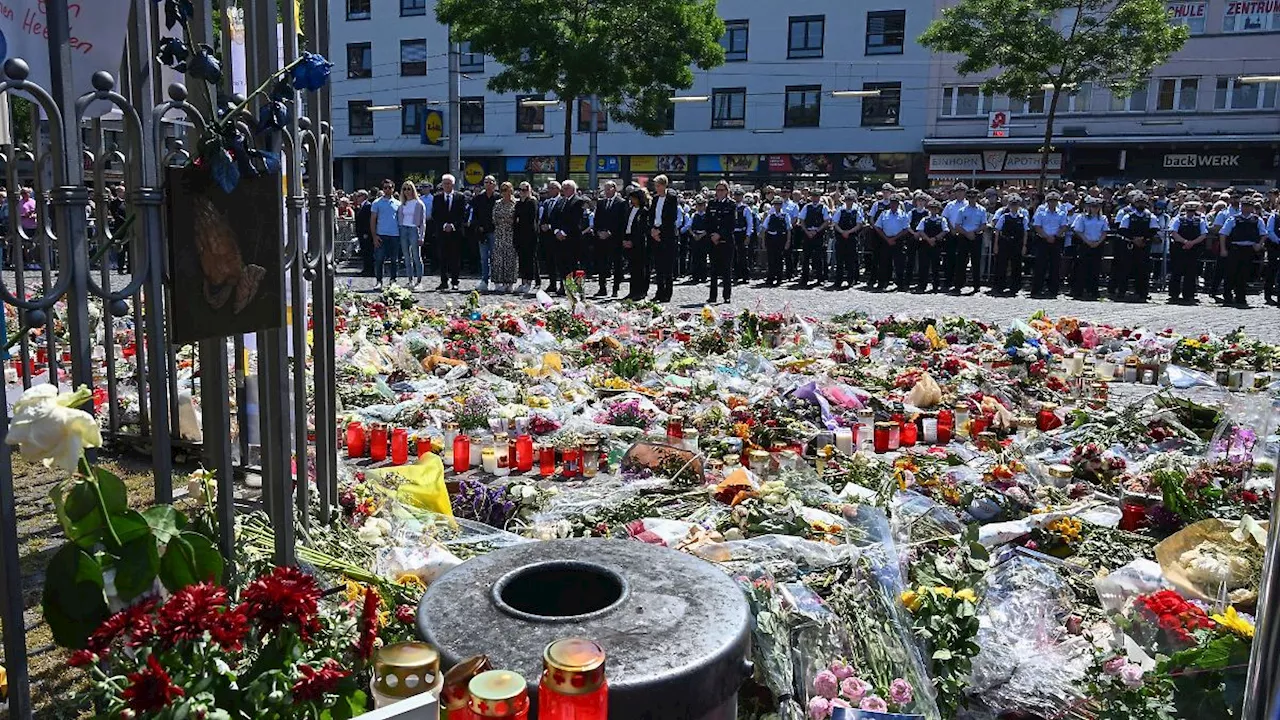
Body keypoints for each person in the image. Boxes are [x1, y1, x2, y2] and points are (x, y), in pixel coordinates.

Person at [1219, 197, 1267, 308]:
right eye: (1244, 205)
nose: (1246, 208)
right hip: (1235, 249)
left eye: (1249, 206)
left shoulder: (1257, 220)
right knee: (1230, 273)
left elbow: (1263, 234)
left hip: (1248, 250)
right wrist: (1223, 249)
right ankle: (1227, 296)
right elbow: (1223, 234)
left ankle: (1241, 297)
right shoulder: (1233, 219)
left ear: (1252, 207)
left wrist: (1259, 244)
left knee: (1244, 274)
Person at [1115, 194, 1157, 302]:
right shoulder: (1128, 215)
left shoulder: (1150, 216)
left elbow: (1153, 230)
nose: (1141, 204)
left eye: (1143, 202)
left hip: (1144, 246)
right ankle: (1121, 292)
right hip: (1129, 245)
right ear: (1134, 203)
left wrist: (1143, 239)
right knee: (1125, 269)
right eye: (1138, 202)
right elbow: (1122, 229)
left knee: (1143, 271)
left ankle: (1143, 293)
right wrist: (1134, 239)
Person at [1168, 200, 1208, 305]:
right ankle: (1174, 294)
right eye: (1189, 210)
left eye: (1192, 211)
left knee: (1191, 272)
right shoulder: (1178, 219)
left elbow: (1203, 235)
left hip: (1194, 249)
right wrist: (1185, 242)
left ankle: (1189, 294)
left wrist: (1192, 243)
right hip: (1179, 248)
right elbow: (1173, 232)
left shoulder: (1200, 220)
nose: (1190, 213)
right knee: (1176, 271)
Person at [1031, 190, 1069, 298]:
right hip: (1043, 240)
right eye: (1050, 201)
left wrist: (1055, 236)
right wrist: (1047, 236)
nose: (1052, 203)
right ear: (1047, 202)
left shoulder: (1061, 213)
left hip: (1056, 240)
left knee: (1055, 266)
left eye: (1055, 201)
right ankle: (1037, 289)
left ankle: (1053, 290)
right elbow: (1037, 226)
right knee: (1040, 266)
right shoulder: (1041, 213)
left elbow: (1064, 226)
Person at [950, 188, 988, 295]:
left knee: (976, 262)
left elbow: (984, 225)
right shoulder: (962, 210)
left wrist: (974, 232)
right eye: (970, 197)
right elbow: (957, 225)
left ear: (977, 198)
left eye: (974, 197)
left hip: (976, 236)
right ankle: (958, 284)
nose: (972, 199)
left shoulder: (982, 210)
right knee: (961, 261)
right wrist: (967, 233)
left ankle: (976, 285)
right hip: (964, 236)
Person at [593, 180, 628, 297]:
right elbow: (597, 219)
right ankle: (602, 287)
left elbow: (622, 221)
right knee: (602, 263)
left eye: (609, 189)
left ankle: (615, 288)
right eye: (605, 189)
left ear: (615, 189)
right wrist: (598, 232)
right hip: (601, 239)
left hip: (615, 239)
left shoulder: (621, 203)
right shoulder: (601, 203)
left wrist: (610, 232)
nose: (607, 191)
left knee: (617, 264)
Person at [1071, 196, 1109, 301]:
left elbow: (1104, 231)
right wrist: (1087, 242)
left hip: (1098, 244)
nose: (1095, 208)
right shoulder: (1082, 217)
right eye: (1093, 206)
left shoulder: (1103, 218)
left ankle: (1093, 291)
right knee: (1082, 269)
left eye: (1097, 206)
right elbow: (1078, 231)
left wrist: (1098, 243)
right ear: (1088, 207)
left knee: (1095, 269)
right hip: (1085, 244)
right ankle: (1078, 291)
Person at [433, 174, 467, 290]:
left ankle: (455, 281)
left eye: (448, 183)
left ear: (453, 184)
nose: (446, 186)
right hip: (442, 232)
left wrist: (452, 225)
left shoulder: (460, 197)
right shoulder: (437, 197)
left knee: (455, 257)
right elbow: (435, 214)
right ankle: (443, 281)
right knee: (442, 257)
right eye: (444, 183)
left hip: (455, 232)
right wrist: (444, 225)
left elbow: (462, 214)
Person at [706, 179, 737, 304]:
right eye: (717, 190)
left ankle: (726, 295)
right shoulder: (712, 203)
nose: (719, 192)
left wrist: (720, 234)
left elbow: (731, 224)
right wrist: (712, 235)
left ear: (727, 192)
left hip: (726, 241)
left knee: (726, 270)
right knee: (713, 270)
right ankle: (712, 296)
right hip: (713, 241)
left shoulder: (731, 204)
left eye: (722, 190)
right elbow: (707, 221)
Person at [991, 196, 1029, 297]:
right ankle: (999, 286)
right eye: (1012, 204)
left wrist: (1024, 246)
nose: (1014, 206)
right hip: (1004, 242)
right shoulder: (1004, 216)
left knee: (1016, 265)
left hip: (1017, 244)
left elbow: (1025, 232)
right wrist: (996, 245)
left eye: (1016, 204)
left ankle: (1015, 287)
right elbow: (997, 231)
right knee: (1001, 265)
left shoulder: (1022, 218)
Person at [649, 175, 679, 302]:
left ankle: (668, 293)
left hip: (667, 235)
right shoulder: (655, 199)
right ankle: (659, 291)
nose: (657, 188)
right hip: (655, 233)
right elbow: (651, 216)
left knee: (667, 266)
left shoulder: (671, 198)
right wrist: (652, 230)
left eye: (659, 185)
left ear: (664, 185)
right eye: (656, 186)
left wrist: (660, 231)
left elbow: (671, 218)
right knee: (659, 266)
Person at [873, 194, 912, 292]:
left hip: (898, 241)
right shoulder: (884, 213)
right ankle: (882, 283)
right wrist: (887, 238)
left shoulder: (903, 214)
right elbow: (877, 227)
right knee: (883, 263)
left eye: (895, 203)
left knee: (900, 264)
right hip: (885, 240)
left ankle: (900, 284)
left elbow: (906, 229)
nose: (893, 205)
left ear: (898, 204)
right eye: (892, 203)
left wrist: (894, 238)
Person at [553, 180, 586, 295]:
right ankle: (565, 285)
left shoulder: (578, 201)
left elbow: (575, 220)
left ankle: (573, 287)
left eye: (566, 188)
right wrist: (556, 230)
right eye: (563, 188)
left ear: (573, 189)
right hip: (560, 238)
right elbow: (555, 217)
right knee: (562, 263)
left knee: (572, 263)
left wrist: (564, 232)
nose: (564, 190)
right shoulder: (561, 201)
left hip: (572, 238)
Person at [369, 179, 402, 287]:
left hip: (395, 235)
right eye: (385, 188)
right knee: (379, 259)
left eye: (390, 187)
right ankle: (379, 281)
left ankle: (393, 280)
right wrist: (374, 236)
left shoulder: (398, 204)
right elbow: (373, 220)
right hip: (381, 234)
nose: (388, 190)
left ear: (393, 189)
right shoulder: (377, 203)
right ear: (382, 189)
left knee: (394, 260)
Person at [469, 176, 498, 292]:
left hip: (495, 231)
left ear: (495, 184)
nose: (489, 184)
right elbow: (474, 215)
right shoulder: (478, 198)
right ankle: (484, 280)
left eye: (491, 182)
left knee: (495, 257)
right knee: (484, 258)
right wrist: (478, 227)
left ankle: (496, 280)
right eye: (486, 182)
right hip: (482, 232)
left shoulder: (498, 198)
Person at [488, 181, 518, 293]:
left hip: (511, 233)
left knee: (510, 258)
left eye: (506, 189)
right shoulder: (498, 203)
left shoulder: (515, 203)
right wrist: (501, 221)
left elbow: (517, 218)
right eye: (502, 190)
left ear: (511, 190)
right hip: (500, 233)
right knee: (498, 258)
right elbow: (494, 217)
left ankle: (510, 283)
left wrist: (510, 221)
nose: (504, 192)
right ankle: (498, 282)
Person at [913, 200, 949, 293]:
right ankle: (922, 285)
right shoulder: (925, 219)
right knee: (923, 266)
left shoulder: (942, 219)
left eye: (935, 209)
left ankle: (936, 286)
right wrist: (928, 239)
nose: (933, 210)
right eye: (931, 208)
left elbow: (945, 230)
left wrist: (935, 238)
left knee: (935, 267)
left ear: (938, 210)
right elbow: (920, 230)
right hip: (925, 245)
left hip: (936, 245)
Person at [397, 181, 427, 289]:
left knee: (416, 256)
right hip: (403, 229)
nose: (407, 191)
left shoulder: (419, 204)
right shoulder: (401, 205)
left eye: (409, 189)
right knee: (406, 257)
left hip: (414, 229)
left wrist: (421, 236)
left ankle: (419, 280)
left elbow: (423, 222)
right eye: (404, 189)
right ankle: (410, 279)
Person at [831, 193, 864, 289]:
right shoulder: (840, 209)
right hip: (841, 237)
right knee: (839, 260)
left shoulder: (857, 210)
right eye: (847, 200)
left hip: (852, 237)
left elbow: (859, 224)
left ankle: (851, 280)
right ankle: (838, 280)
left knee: (851, 260)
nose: (849, 202)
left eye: (850, 200)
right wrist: (842, 232)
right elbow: (835, 223)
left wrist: (849, 232)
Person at [623, 187, 651, 300]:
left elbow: (642, 229)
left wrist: (633, 241)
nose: (632, 201)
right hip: (628, 238)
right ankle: (632, 290)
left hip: (638, 242)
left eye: (634, 199)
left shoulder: (644, 211)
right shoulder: (630, 210)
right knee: (632, 268)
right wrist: (625, 239)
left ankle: (641, 291)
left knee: (640, 268)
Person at [798, 189, 829, 286]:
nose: (815, 198)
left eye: (817, 196)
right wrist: (807, 231)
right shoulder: (807, 207)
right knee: (806, 258)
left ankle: (820, 278)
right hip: (807, 234)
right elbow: (801, 220)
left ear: (820, 197)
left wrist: (817, 231)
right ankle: (804, 278)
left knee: (819, 258)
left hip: (818, 234)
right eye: (813, 196)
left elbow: (826, 221)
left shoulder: (823, 207)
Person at [513, 182, 540, 295]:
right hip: (519, 235)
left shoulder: (532, 202)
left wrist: (520, 220)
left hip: (530, 235)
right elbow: (516, 219)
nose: (523, 192)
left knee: (529, 259)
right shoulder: (518, 204)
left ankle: (529, 281)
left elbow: (531, 219)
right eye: (521, 189)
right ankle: (523, 281)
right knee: (522, 259)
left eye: (525, 189)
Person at [538, 181, 563, 293]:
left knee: (560, 262)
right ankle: (552, 283)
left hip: (558, 236)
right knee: (550, 261)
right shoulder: (546, 202)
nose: (550, 190)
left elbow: (562, 219)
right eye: (549, 188)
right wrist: (543, 225)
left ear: (558, 189)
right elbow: (543, 217)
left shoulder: (562, 201)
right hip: (547, 237)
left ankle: (562, 284)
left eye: (552, 188)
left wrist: (551, 226)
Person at [762, 197, 789, 287]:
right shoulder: (770, 216)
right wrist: (763, 242)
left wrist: (788, 241)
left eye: (779, 204)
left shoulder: (785, 216)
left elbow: (789, 230)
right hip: (771, 238)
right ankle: (770, 277)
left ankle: (779, 278)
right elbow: (764, 229)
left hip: (781, 238)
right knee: (771, 259)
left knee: (779, 259)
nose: (777, 206)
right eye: (776, 204)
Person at [732, 188, 755, 283]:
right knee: (733, 255)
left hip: (742, 232)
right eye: (736, 195)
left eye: (739, 195)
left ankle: (745, 275)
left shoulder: (746, 208)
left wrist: (748, 235)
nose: (737, 197)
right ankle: (736, 274)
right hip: (733, 232)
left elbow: (750, 223)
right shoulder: (731, 206)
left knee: (742, 255)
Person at [687, 197, 708, 284]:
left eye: (701, 205)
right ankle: (695, 275)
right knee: (695, 257)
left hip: (704, 237)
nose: (700, 207)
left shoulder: (707, 216)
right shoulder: (694, 215)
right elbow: (689, 226)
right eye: (698, 205)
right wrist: (694, 235)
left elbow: (709, 227)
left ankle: (703, 276)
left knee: (703, 257)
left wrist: (702, 235)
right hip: (695, 237)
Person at [354, 189, 373, 276]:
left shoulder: (368, 206)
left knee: (368, 251)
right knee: (364, 252)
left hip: (366, 234)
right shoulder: (361, 206)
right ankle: (366, 268)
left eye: (359, 196)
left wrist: (366, 232)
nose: (357, 198)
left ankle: (369, 270)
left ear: (364, 196)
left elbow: (368, 221)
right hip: (361, 233)